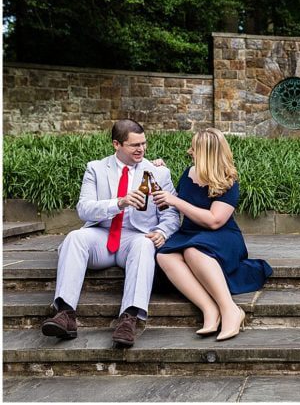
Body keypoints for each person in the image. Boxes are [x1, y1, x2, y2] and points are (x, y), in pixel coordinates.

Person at [42, 119, 180, 347]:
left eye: (144, 144)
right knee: (75, 237)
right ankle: (65, 314)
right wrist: (119, 203)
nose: (141, 149)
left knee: (145, 244)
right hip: (102, 236)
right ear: (117, 144)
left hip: (136, 238)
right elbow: (84, 209)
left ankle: (130, 319)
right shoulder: (95, 168)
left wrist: (162, 232)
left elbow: (171, 214)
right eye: (134, 145)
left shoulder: (157, 173)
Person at [152, 128, 272, 341]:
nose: (189, 151)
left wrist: (177, 201)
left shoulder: (228, 180)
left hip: (222, 236)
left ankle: (230, 310)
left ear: (207, 152)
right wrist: (158, 171)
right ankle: (209, 309)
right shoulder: (189, 172)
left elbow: (215, 220)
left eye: (194, 148)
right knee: (163, 255)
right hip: (190, 232)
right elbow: (171, 200)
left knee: (193, 251)